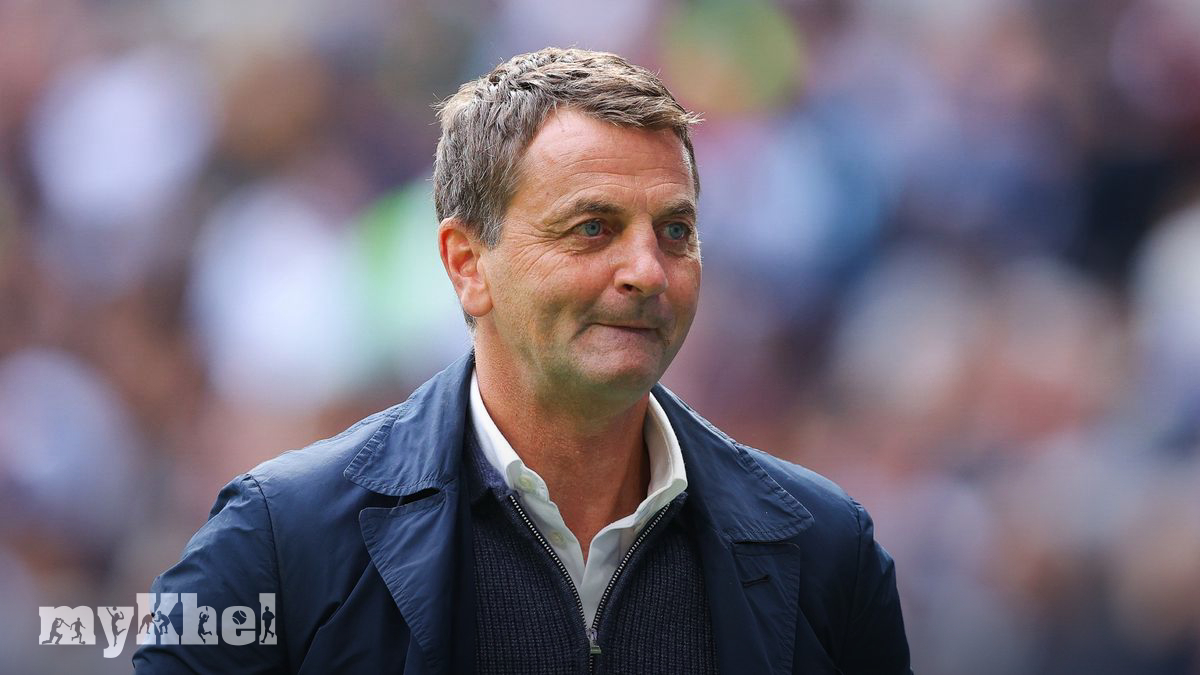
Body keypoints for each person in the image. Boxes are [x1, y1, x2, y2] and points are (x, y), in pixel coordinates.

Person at [134, 47, 910, 673]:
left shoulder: (826, 550)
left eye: (675, 231)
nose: (648, 269)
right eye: (593, 228)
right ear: (467, 264)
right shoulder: (281, 539)